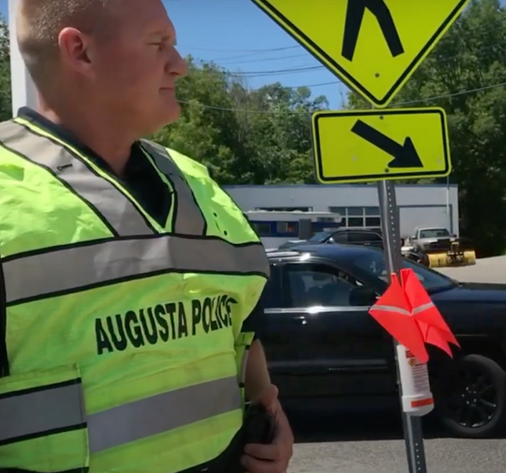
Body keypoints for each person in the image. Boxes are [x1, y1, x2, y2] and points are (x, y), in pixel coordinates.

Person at [0, 1, 293, 472]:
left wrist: (270, 419)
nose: (180, 64)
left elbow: (244, 333)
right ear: (80, 52)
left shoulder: (198, 183)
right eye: (159, 44)